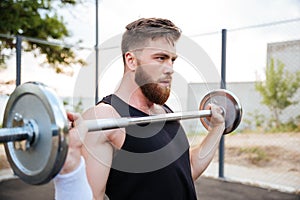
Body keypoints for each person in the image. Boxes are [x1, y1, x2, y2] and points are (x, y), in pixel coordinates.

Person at [54, 17, 225, 200]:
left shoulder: (165, 112)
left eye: (172, 60)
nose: (170, 69)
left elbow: (187, 170)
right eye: (160, 58)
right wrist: (69, 169)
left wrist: (217, 128)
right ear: (132, 61)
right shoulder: (104, 117)